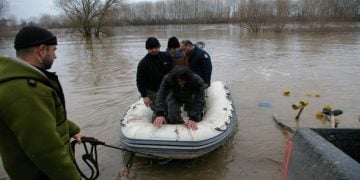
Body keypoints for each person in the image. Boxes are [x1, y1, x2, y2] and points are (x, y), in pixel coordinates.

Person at [0, 26, 82, 179]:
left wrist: (73, 129)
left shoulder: (26, 80)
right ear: (42, 50)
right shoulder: (25, 90)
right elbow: (46, 150)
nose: (55, 56)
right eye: (54, 50)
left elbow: (45, 117)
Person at [136, 37, 174, 111]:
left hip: (168, 88)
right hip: (153, 91)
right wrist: (144, 96)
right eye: (151, 48)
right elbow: (140, 81)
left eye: (156, 48)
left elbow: (174, 72)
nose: (154, 50)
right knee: (159, 111)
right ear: (147, 49)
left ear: (159, 47)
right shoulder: (143, 63)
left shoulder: (167, 56)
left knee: (172, 108)